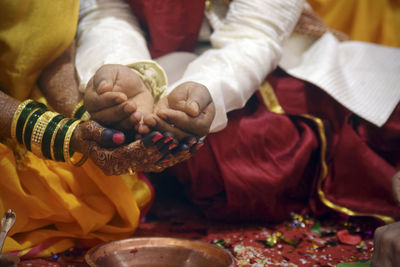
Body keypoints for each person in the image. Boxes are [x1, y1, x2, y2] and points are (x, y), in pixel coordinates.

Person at [77, 0, 399, 224]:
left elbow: (255, 32)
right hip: (156, 63)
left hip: (257, 66)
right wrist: (122, 70)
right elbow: (105, 12)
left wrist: (206, 89)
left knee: (246, 151)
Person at [0, 0, 196, 258]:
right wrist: (60, 134)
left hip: (25, 105)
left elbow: (52, 52)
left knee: (103, 199)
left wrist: (85, 122)